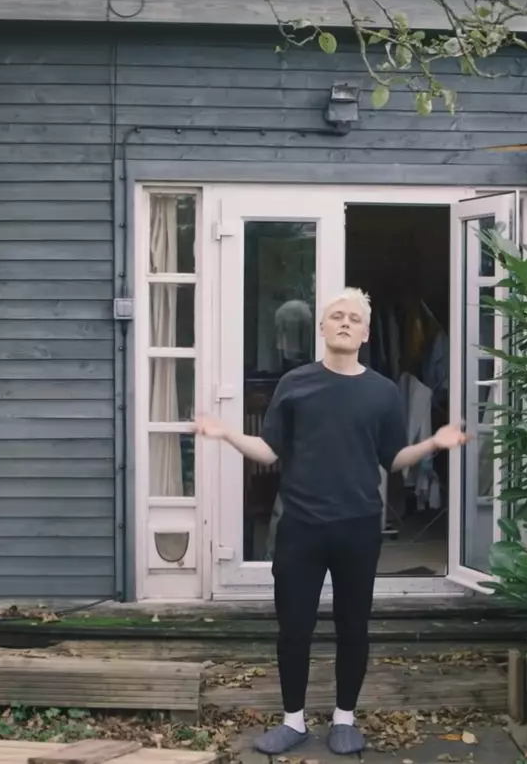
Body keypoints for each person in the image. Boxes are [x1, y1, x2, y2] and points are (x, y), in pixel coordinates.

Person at [195, 287, 468, 756]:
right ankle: (293, 721)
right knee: (294, 627)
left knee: (352, 626)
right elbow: (270, 450)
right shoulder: (295, 384)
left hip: (358, 527)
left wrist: (434, 445)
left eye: (354, 318)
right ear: (321, 328)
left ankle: (345, 718)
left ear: (364, 333)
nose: (345, 322)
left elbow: (393, 458)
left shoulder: (383, 392)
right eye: (336, 316)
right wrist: (227, 435)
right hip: (299, 525)